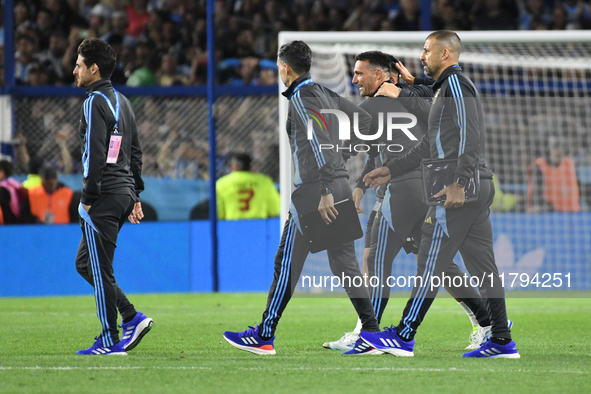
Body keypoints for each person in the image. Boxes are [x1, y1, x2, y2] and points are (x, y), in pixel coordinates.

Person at [362, 31, 520, 358]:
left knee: (430, 261)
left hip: (459, 187)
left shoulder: (457, 88)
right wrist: (392, 169)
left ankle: (404, 335)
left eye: (426, 50)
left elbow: (469, 134)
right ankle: (502, 340)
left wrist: (460, 181)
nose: (422, 56)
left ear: (445, 53)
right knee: (483, 267)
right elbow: (428, 146)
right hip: (474, 185)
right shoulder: (444, 89)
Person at [322, 51, 492, 353]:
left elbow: (352, 149)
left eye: (360, 73)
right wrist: (361, 185)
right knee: (436, 264)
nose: (354, 79)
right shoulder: (426, 103)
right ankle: (486, 320)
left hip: (400, 192)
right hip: (431, 189)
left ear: (381, 75)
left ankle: (368, 334)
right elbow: (382, 146)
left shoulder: (372, 106)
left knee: (374, 259)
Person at [223, 40, 381, 355]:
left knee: (287, 265)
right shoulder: (325, 92)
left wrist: (323, 190)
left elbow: (319, 140)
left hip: (316, 191)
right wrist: (343, 156)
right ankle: (373, 335)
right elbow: (366, 121)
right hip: (339, 183)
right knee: (344, 265)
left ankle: (264, 334)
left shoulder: (301, 97)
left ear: (285, 67)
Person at [73, 38, 153, 356]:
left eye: (79, 64)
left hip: (104, 194)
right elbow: (135, 152)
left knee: (100, 268)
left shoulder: (94, 102)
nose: (74, 69)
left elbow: (95, 153)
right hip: (122, 193)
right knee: (86, 263)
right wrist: (135, 195)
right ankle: (132, 316)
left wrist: (89, 196)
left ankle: (109, 339)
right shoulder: (123, 101)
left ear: (94, 69)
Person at [216, 152, 280, 220]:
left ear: (234, 165)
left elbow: (219, 212)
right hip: (259, 224)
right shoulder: (265, 181)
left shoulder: (222, 183)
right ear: (250, 166)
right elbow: (275, 208)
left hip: (232, 225)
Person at [527, 135, 581, 213]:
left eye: (561, 148)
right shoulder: (540, 166)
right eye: (555, 147)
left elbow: (577, 186)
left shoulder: (568, 163)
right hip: (550, 212)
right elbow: (536, 193)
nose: (558, 151)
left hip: (573, 211)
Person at [0, 159, 28, 224]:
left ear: (2, 173)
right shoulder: (15, 183)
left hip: (8, 220)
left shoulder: (3, 187)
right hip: (21, 218)